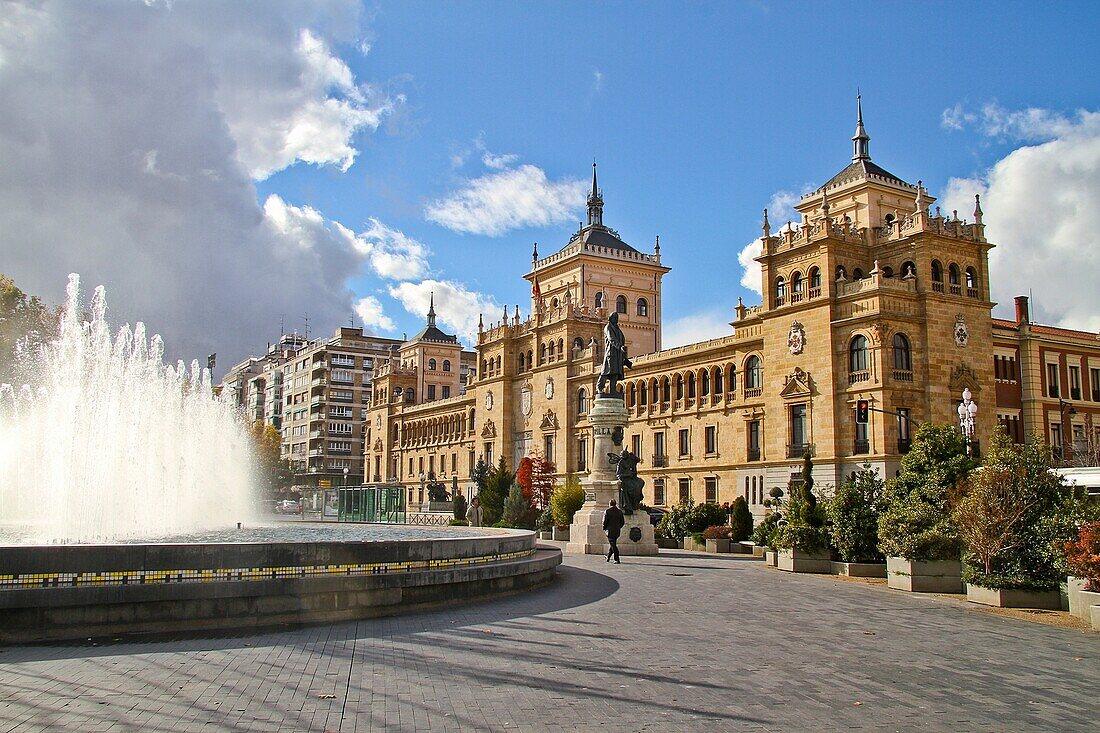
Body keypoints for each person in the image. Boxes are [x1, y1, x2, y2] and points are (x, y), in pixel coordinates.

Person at [603, 499, 625, 563]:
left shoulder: (607, 511)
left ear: (610, 504)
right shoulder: (619, 511)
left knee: (613, 545)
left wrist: (604, 528)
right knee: (613, 543)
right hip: (617, 530)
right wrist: (618, 527)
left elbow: (605, 521)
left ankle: (617, 559)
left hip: (609, 530)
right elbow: (622, 522)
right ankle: (608, 556)